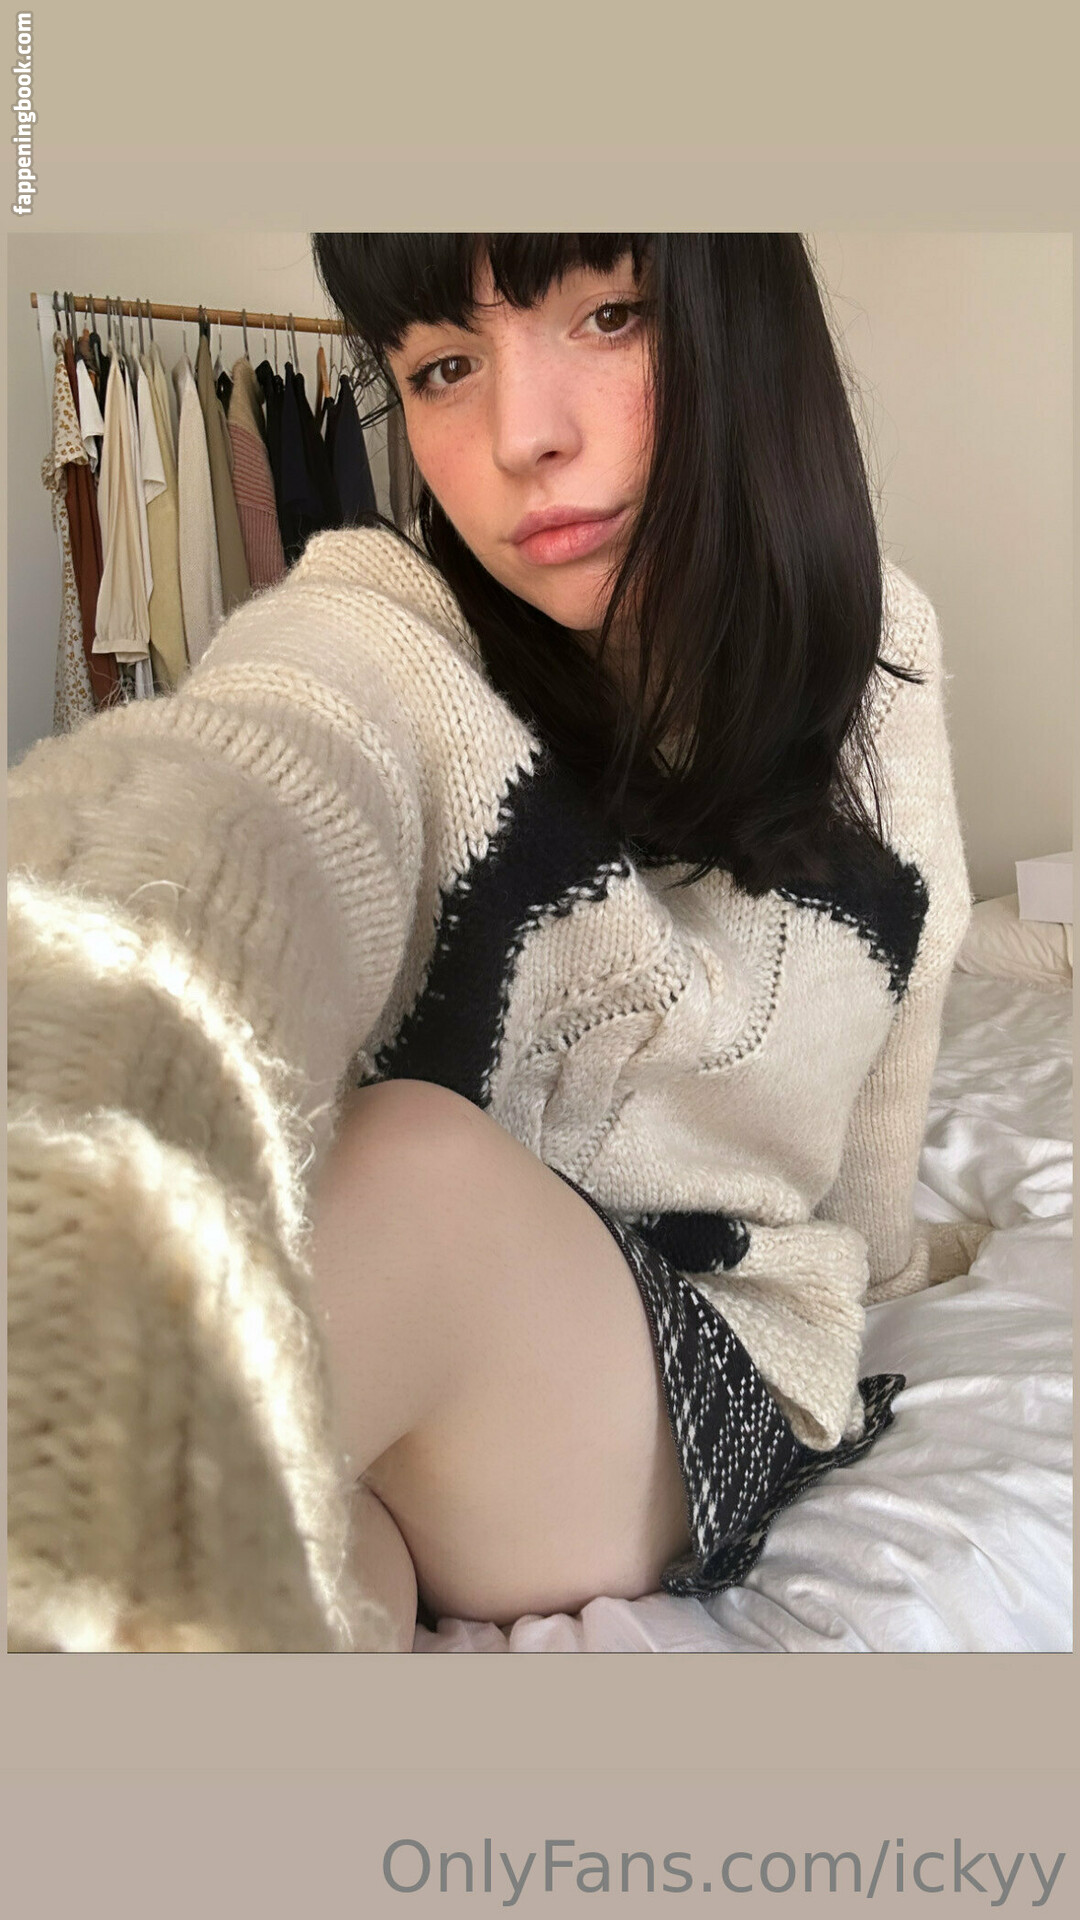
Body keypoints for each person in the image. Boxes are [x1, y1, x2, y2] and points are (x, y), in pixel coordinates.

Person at [7, 235, 979, 1655]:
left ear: (746, 324)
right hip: (402, 1411)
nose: (522, 436)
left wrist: (886, 1264)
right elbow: (238, 791)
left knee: (406, 1166)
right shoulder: (379, 622)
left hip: (676, 1369)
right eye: (444, 367)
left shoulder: (880, 651)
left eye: (611, 314)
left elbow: (914, 981)